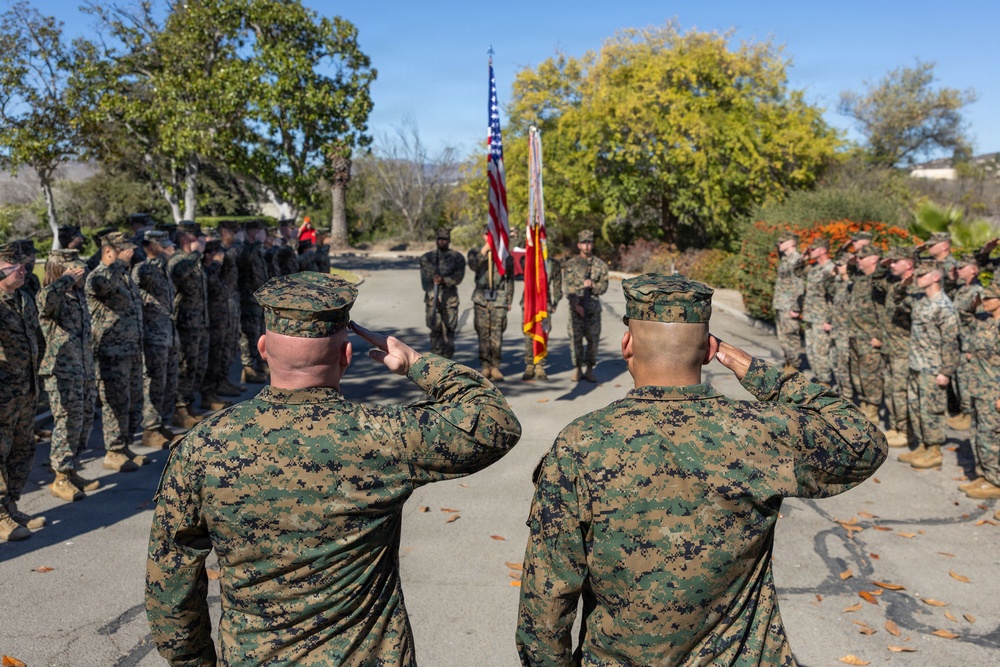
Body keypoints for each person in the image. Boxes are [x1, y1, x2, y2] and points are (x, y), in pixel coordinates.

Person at [145, 271, 521, 666]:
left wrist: (194, 662)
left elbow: (170, 582)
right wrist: (415, 363)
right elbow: (494, 422)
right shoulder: (382, 437)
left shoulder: (203, 447)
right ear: (347, 355)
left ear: (263, 349)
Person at [516, 273, 887, 666]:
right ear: (710, 350)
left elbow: (546, 601)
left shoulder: (581, 443)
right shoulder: (759, 431)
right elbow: (862, 441)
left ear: (627, 344)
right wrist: (757, 372)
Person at [37, 249, 100, 502]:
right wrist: (65, 280)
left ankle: (72, 470)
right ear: (59, 270)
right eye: (73, 269)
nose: (80, 273)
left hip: (83, 369)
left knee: (83, 420)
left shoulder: (77, 294)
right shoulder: (52, 294)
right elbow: (44, 301)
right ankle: (60, 477)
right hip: (62, 371)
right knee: (67, 422)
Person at [86, 231, 147, 472]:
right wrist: (118, 264)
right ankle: (113, 450)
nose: (130, 253)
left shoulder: (123, 275)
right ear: (109, 251)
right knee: (116, 403)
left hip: (131, 349)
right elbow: (101, 288)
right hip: (111, 353)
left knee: (133, 400)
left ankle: (124, 445)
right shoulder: (98, 276)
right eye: (124, 250)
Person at [0, 242, 44, 541]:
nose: (24, 270)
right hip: (3, 393)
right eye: (16, 265)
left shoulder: (24, 298)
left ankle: (11, 506)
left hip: (26, 389)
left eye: (25, 264)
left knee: (23, 449)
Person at [903, 261, 959, 470]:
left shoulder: (944, 306)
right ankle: (922, 445)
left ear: (935, 277)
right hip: (916, 364)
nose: (917, 279)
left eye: (922, 275)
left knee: (931, 411)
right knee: (916, 407)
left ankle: (934, 450)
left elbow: (951, 342)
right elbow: (898, 301)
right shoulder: (921, 301)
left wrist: (946, 371)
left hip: (934, 368)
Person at [132, 230, 181, 444]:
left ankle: (160, 424)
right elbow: (135, 291)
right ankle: (150, 429)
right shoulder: (142, 269)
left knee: (168, 380)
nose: (169, 248)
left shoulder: (163, 269)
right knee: (154, 382)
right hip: (153, 335)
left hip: (168, 332)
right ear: (150, 247)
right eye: (163, 245)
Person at [169, 223, 212, 421]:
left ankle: (189, 404)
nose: (202, 240)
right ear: (185, 239)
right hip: (185, 323)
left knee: (197, 366)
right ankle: (180, 409)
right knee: (185, 366)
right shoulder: (177, 259)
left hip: (200, 322)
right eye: (197, 237)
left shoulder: (194, 260)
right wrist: (196, 254)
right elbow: (178, 274)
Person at [962, 280, 1000, 499]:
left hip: (994, 392)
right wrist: (973, 301)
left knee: (991, 437)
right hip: (978, 388)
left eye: (988, 298)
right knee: (977, 434)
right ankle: (984, 475)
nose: (984, 301)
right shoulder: (983, 320)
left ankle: (995, 480)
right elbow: (964, 315)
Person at [562, 230, 609, 382]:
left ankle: (589, 369)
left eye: (589, 243)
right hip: (576, 308)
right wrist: (576, 305)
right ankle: (577, 368)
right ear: (579, 245)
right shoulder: (571, 264)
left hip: (593, 309)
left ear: (592, 245)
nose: (586, 246)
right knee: (575, 340)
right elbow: (566, 287)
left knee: (593, 340)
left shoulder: (600, 265)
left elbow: (604, 287)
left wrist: (593, 285)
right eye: (584, 243)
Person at [847, 245, 886, 424]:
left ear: (874, 259)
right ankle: (863, 402)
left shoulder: (879, 281)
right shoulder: (860, 277)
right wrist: (851, 261)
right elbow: (850, 269)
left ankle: (873, 407)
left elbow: (884, 311)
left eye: (862, 258)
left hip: (871, 335)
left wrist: (879, 335)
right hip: (855, 333)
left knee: (871, 374)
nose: (858, 261)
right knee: (857, 372)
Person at [467, 237, 515, 380]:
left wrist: (509, 299)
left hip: (499, 298)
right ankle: (485, 366)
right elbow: (473, 265)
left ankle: (495, 366)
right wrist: (485, 249)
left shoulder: (504, 254)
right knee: (483, 333)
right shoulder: (475, 252)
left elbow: (510, 279)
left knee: (497, 333)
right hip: (481, 297)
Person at [948, 254, 983, 432]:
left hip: (969, 344)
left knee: (967, 380)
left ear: (973, 270)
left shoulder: (978, 292)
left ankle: (970, 414)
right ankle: (964, 411)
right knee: (958, 380)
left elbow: (980, 322)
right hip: (958, 342)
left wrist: (971, 347)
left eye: (962, 267)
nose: (958, 270)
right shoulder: (962, 289)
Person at [419, 228, 466, 358]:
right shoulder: (427, 258)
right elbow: (425, 280)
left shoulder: (457, 258)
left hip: (450, 300)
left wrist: (444, 280)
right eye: (440, 239)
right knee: (435, 331)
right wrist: (432, 293)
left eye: (445, 239)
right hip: (433, 300)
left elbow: (458, 278)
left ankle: (448, 362)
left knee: (449, 331)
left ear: (449, 240)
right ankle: (436, 362)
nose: (442, 241)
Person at [800, 238, 836, 385]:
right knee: (811, 351)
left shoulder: (831, 270)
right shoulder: (814, 268)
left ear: (823, 250)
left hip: (822, 318)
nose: (810, 252)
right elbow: (798, 273)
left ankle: (824, 383)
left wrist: (830, 320)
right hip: (810, 316)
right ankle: (819, 380)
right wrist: (802, 260)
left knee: (821, 353)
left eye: (813, 249)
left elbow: (835, 298)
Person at [771, 234, 804, 372]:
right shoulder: (785, 259)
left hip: (789, 305)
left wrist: (796, 307)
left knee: (790, 335)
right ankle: (788, 362)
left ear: (791, 243)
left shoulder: (796, 260)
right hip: (781, 304)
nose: (779, 244)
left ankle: (794, 366)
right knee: (783, 336)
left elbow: (798, 284)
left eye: (782, 242)